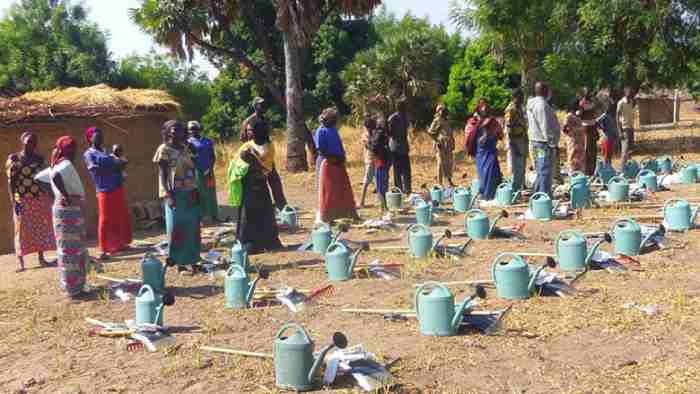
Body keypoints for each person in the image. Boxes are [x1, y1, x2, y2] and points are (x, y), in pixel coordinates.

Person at [153, 120, 201, 271]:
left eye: (180, 129)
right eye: (173, 129)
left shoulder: (187, 148)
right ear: (167, 131)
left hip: (190, 191)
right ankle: (179, 262)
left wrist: (195, 190)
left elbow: (194, 169)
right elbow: (162, 173)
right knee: (176, 228)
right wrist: (167, 194)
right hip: (174, 192)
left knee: (192, 227)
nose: (176, 132)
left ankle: (193, 260)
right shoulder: (164, 149)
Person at [6, 132, 56, 272]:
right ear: (22, 141)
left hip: (39, 198)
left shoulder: (39, 159)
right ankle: (21, 263)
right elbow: (11, 182)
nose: (31, 144)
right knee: (21, 229)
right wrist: (13, 200)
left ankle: (41, 258)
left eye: (33, 141)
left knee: (40, 227)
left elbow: (45, 178)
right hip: (21, 199)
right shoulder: (15, 159)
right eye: (28, 141)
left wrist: (50, 195)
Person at [47, 136, 89, 299]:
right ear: (68, 150)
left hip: (63, 209)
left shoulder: (57, 163)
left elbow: (42, 178)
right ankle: (74, 288)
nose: (75, 151)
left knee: (68, 249)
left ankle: (72, 286)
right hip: (68, 210)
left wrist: (57, 195)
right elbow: (56, 176)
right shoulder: (65, 163)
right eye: (72, 148)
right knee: (72, 249)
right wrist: (65, 195)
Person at [234, 118, 284, 254]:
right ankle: (247, 244)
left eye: (252, 130)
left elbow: (270, 168)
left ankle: (269, 242)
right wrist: (253, 165)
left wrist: (279, 197)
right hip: (248, 186)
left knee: (266, 213)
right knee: (247, 216)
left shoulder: (269, 146)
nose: (250, 132)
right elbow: (238, 166)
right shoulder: (246, 147)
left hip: (262, 185)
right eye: (249, 130)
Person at [83, 127, 132, 260]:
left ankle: (119, 244)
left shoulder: (105, 152)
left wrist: (116, 164)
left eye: (101, 136)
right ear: (90, 138)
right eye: (96, 136)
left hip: (117, 185)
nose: (99, 138)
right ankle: (104, 248)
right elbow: (94, 169)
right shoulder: (89, 154)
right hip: (104, 188)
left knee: (119, 215)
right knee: (105, 219)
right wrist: (114, 165)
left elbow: (121, 164)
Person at [240, 97, 288, 210]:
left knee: (275, 180)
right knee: (259, 184)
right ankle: (263, 209)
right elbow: (244, 139)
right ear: (255, 106)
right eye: (261, 104)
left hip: (267, 154)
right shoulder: (248, 121)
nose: (263, 106)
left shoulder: (265, 119)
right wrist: (253, 153)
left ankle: (282, 206)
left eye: (264, 104)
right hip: (254, 156)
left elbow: (266, 136)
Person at [314, 107, 360, 223]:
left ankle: (349, 213)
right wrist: (335, 158)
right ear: (327, 119)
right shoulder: (321, 131)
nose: (336, 121)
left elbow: (338, 145)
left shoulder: (333, 129)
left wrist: (342, 158)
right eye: (334, 119)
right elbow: (321, 150)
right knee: (327, 191)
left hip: (338, 163)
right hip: (327, 164)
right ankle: (327, 218)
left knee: (343, 189)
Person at [527, 82, 561, 197]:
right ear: (545, 91)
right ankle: (544, 195)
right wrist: (552, 143)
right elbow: (545, 126)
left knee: (541, 169)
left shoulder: (532, 103)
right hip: (543, 143)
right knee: (545, 170)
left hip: (536, 141)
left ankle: (538, 193)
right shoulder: (541, 105)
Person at [466, 99, 504, 200]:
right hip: (481, 151)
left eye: (487, 109)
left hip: (490, 150)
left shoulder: (492, 121)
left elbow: (500, 133)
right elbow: (469, 136)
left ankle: (492, 193)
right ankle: (486, 194)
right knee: (483, 172)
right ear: (479, 110)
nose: (485, 110)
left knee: (492, 171)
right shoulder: (473, 121)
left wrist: (491, 136)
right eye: (483, 109)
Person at [187, 121, 219, 223]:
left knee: (211, 192)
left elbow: (213, 156)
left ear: (199, 129)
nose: (192, 131)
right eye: (190, 129)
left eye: (194, 128)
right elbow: (189, 158)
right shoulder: (188, 143)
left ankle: (214, 216)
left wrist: (210, 168)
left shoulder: (207, 141)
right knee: (201, 193)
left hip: (209, 171)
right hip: (197, 171)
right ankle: (203, 217)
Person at [504, 89, 528, 192]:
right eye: (521, 96)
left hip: (522, 138)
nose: (522, 98)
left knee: (521, 165)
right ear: (515, 97)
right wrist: (513, 146)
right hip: (515, 141)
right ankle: (514, 189)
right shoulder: (511, 109)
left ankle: (520, 186)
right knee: (516, 167)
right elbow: (509, 129)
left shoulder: (520, 108)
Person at [427, 104, 455, 187]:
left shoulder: (447, 120)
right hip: (440, 144)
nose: (443, 111)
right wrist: (437, 140)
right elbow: (430, 132)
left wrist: (453, 143)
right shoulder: (437, 120)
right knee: (440, 163)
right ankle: (440, 183)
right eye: (441, 110)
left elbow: (450, 133)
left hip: (448, 144)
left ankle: (449, 180)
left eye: (443, 109)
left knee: (449, 162)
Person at [579, 87, 604, 176]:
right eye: (587, 93)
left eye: (589, 92)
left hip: (593, 126)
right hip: (586, 128)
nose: (589, 94)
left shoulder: (593, 102)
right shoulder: (581, 103)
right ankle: (586, 171)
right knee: (587, 150)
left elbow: (598, 111)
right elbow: (579, 116)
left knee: (593, 150)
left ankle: (592, 170)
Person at [388, 99, 411, 194]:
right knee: (399, 169)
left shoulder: (402, 117)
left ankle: (406, 188)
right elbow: (390, 133)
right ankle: (401, 189)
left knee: (404, 169)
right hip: (397, 146)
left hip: (401, 146)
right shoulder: (393, 118)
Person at [370, 116, 391, 215]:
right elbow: (375, 146)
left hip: (381, 162)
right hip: (383, 162)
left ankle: (383, 208)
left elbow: (372, 146)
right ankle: (384, 207)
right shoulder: (382, 133)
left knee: (381, 186)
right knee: (383, 186)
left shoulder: (378, 133)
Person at [562, 99, 586, 173]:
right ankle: (572, 172)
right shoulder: (569, 116)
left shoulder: (577, 116)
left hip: (580, 140)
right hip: (573, 140)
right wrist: (573, 132)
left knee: (580, 156)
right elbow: (564, 129)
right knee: (572, 156)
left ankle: (580, 172)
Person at [617, 87, 637, 170]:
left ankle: (628, 169)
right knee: (624, 150)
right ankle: (622, 170)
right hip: (624, 128)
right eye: (628, 93)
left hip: (631, 127)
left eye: (631, 93)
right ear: (625, 93)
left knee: (630, 150)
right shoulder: (621, 103)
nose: (629, 94)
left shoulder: (631, 102)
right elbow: (617, 117)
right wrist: (619, 131)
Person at [359, 115, 377, 208]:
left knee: (379, 181)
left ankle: (381, 201)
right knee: (366, 182)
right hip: (370, 160)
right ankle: (361, 202)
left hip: (376, 160)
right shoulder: (365, 135)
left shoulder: (373, 134)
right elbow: (370, 146)